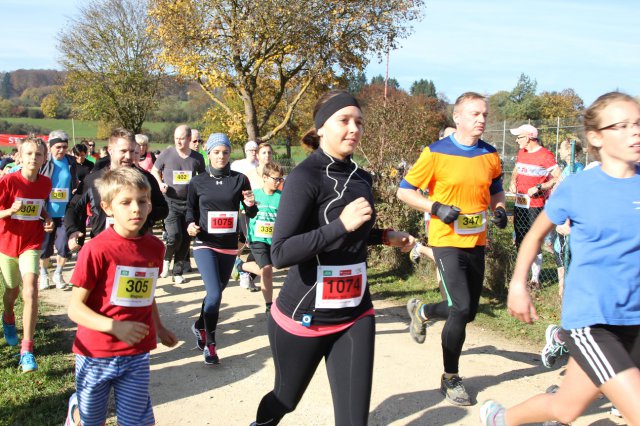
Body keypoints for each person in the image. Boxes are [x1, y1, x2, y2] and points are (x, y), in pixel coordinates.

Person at [252, 90, 414, 425]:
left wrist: (383, 236)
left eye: (359, 122)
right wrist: (340, 225)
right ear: (321, 127)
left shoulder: (362, 178)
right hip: (304, 316)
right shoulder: (304, 177)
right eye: (344, 120)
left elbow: (352, 233)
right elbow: (280, 252)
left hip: (356, 313)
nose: (354, 128)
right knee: (285, 400)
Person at [480, 92, 640, 425]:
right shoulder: (577, 187)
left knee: (567, 407)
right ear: (596, 137)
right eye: (622, 126)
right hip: (593, 321)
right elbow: (535, 236)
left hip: (635, 317)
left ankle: (501, 419)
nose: (634, 132)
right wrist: (518, 285)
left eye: (637, 124)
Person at [396, 92, 507, 406]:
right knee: (460, 306)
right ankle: (451, 377)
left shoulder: (490, 154)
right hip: (446, 240)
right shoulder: (435, 152)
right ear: (457, 117)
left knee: (467, 312)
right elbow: (405, 191)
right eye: (474, 114)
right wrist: (435, 207)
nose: (481, 120)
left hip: (476, 241)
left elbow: (497, 190)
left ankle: (422, 311)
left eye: (484, 114)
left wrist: (499, 210)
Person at [65, 167, 177, 426]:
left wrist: (159, 327)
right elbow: (75, 309)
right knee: (92, 420)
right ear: (107, 208)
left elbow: (146, 294)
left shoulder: (155, 248)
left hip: (137, 352)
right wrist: (115, 327)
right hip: (96, 353)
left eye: (142, 201)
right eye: (125, 202)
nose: (136, 209)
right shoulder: (96, 250)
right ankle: (76, 412)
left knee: (136, 421)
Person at [186, 133, 257, 364]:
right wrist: (190, 225)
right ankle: (211, 345)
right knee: (215, 293)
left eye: (225, 152)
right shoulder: (197, 182)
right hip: (205, 243)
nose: (221, 156)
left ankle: (200, 325)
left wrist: (250, 205)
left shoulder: (240, 179)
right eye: (216, 152)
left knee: (215, 294)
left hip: (228, 245)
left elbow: (251, 212)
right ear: (208, 153)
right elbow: (190, 211)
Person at [65, 128, 168, 252]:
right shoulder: (93, 180)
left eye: (132, 151)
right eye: (123, 151)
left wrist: (146, 211)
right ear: (110, 150)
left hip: (135, 247)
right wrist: (72, 231)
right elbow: (73, 207)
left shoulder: (145, 178)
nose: (128, 156)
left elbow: (163, 209)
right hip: (103, 248)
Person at [0, 137, 53, 373]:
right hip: (7, 244)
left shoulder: (45, 183)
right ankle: (8, 316)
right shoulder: (8, 181)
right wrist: (9, 211)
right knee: (12, 291)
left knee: (30, 290)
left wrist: (47, 218)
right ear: (20, 157)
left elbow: (40, 206)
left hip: (31, 243)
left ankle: (27, 350)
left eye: (38, 154)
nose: (33, 158)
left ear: (44, 159)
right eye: (29, 153)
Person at [508, 124, 560, 290]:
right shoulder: (521, 153)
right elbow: (516, 170)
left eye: (519, 137)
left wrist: (540, 187)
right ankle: (522, 276)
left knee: (534, 240)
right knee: (520, 238)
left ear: (529, 137)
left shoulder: (545, 155)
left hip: (536, 204)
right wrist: (512, 182)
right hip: (520, 202)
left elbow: (557, 177)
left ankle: (535, 279)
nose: (517, 141)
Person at [151, 124, 205, 284]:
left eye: (182, 139)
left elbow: (202, 178)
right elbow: (154, 170)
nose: (178, 142)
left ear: (189, 139)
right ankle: (166, 259)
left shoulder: (197, 158)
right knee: (174, 236)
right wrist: (160, 183)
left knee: (186, 238)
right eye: (176, 139)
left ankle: (178, 271)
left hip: (189, 204)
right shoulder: (167, 154)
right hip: (170, 201)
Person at [237, 162, 284, 313]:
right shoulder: (254, 194)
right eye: (275, 178)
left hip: (274, 240)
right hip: (257, 239)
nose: (278, 182)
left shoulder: (282, 197)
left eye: (280, 179)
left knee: (268, 268)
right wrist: (245, 235)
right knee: (267, 269)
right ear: (264, 177)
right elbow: (242, 213)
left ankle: (240, 266)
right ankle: (269, 305)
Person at [38, 130, 78, 290]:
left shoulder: (71, 162)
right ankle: (43, 275)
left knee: (64, 245)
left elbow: (74, 182)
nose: (61, 150)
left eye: (64, 147)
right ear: (50, 147)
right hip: (46, 212)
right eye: (58, 147)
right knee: (45, 247)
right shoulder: (44, 162)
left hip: (65, 212)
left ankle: (58, 273)